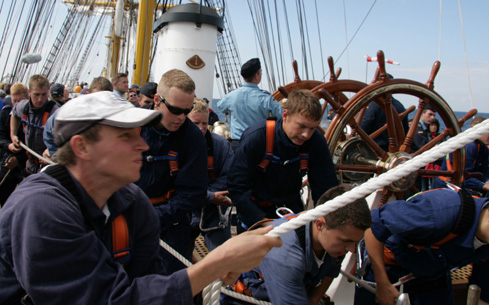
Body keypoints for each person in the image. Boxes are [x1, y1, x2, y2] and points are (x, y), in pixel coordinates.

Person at [0, 91, 282, 304]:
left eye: (139, 134)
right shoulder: (40, 209)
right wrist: (216, 265)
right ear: (82, 146)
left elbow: (149, 283)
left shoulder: (132, 203)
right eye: (125, 137)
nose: (143, 144)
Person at [224, 184, 372, 305]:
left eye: (356, 242)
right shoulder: (285, 256)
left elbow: (331, 270)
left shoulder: (336, 241)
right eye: (346, 242)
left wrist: (314, 300)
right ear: (320, 224)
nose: (352, 250)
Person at [353, 188, 489, 305]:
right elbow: (374, 226)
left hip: (432, 274)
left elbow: (488, 291)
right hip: (386, 266)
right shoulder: (438, 214)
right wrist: (382, 283)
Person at [228, 89, 339, 232]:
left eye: (312, 128)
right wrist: (260, 221)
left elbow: (326, 187)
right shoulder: (256, 138)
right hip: (255, 213)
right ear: (285, 115)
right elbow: (236, 185)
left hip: (291, 212)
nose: (306, 135)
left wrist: (327, 224)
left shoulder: (316, 142)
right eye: (302, 126)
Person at [135, 69, 208, 275]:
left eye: (188, 110)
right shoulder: (132, 125)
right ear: (157, 99)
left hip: (171, 223)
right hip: (127, 215)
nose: (182, 117)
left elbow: (194, 193)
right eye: (176, 110)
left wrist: (152, 217)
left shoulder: (193, 139)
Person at [188, 97, 234, 250]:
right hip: (184, 208)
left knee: (222, 256)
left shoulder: (220, 145)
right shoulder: (178, 145)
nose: (201, 128)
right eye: (195, 123)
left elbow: (229, 175)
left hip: (214, 209)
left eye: (204, 123)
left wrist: (209, 195)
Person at [217, 58, 283, 151]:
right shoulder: (266, 98)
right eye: (260, 73)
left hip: (237, 144)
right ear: (257, 76)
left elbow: (220, 106)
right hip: (259, 143)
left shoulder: (232, 95)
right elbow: (281, 117)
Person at [43, 76, 114, 159]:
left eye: (104, 100)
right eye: (97, 98)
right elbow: (48, 129)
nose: (100, 103)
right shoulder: (70, 110)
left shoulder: (114, 118)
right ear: (87, 94)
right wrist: (56, 155)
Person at [434, 116, 489, 195]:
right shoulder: (470, 146)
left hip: (461, 185)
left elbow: (484, 171)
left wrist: (488, 181)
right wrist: (483, 186)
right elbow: (464, 177)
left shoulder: (484, 149)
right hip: (446, 185)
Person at [10, 74, 58, 174]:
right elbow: (14, 114)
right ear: (29, 92)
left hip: (47, 167)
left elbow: (66, 139)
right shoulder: (23, 107)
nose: (40, 99)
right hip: (30, 165)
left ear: (48, 93)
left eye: (44, 94)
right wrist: (13, 134)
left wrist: (51, 152)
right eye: (36, 94)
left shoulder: (55, 113)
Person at [0, 82, 29, 205]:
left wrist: (19, 159)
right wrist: (9, 145)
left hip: (26, 163)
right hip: (7, 160)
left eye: (20, 101)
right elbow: (1, 136)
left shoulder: (32, 117)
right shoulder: (5, 113)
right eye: (14, 101)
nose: (17, 105)